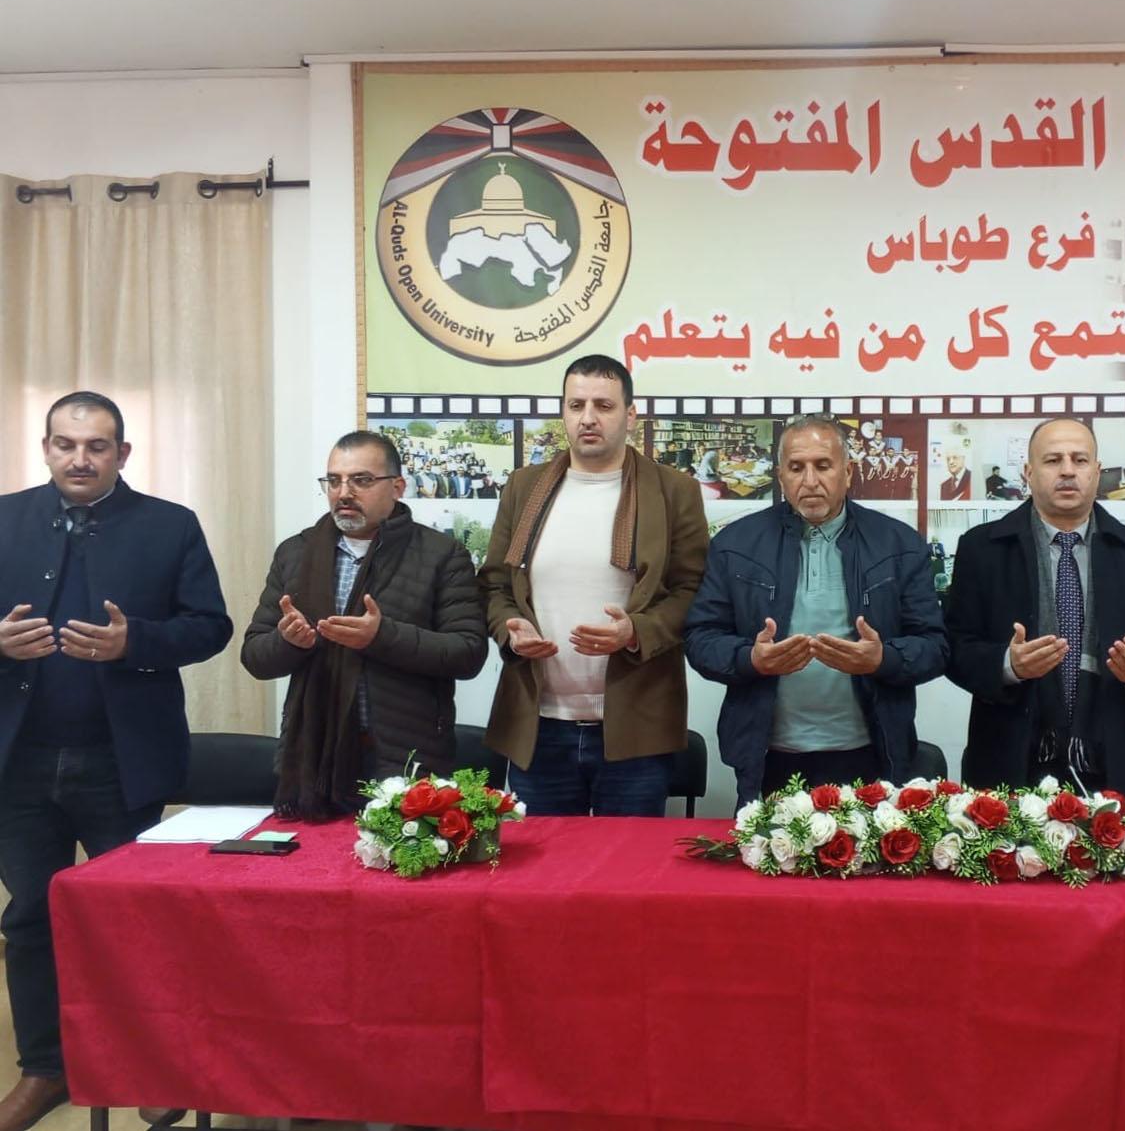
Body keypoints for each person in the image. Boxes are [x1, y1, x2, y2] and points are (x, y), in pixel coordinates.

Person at [0, 392, 231, 1129]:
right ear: (45, 447)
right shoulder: (3, 519)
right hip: (18, 764)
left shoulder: (170, 525)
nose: (80, 458)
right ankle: (45, 1070)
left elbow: (211, 627)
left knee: (136, 919)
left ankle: (151, 1064)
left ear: (121, 454)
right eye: (66, 444)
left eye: (97, 446)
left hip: (121, 761)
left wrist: (138, 643)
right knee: (31, 918)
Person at [479, 355, 707, 816]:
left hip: (635, 727)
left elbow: (693, 591)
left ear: (631, 414)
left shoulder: (673, 491)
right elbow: (495, 584)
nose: (588, 418)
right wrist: (510, 628)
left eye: (603, 405)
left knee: (627, 862)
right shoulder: (523, 487)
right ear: (563, 412)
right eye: (576, 405)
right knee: (542, 862)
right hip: (538, 726)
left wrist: (635, 630)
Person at [684, 415, 946, 804]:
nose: (810, 480)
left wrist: (883, 659)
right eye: (796, 467)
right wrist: (750, 659)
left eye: (823, 466)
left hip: (871, 755)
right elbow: (701, 638)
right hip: (768, 757)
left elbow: (935, 646)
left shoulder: (899, 544)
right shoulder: (735, 544)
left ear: (848, 472)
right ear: (780, 476)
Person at [943, 419, 1125, 815]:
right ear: (1028, 473)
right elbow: (953, 647)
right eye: (1052, 460)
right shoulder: (983, 549)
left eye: (1079, 460)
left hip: (1113, 766)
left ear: (1097, 472)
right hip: (1009, 764)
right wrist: (1007, 665)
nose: (1067, 470)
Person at [241, 431, 487, 819]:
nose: (344, 493)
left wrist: (381, 636)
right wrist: (288, 641)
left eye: (361, 480)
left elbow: (468, 652)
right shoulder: (296, 553)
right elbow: (255, 656)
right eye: (334, 480)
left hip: (407, 755)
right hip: (316, 756)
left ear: (398, 487)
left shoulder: (442, 555)